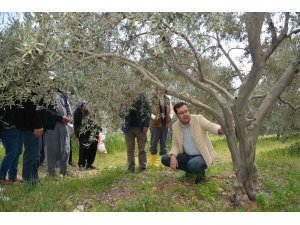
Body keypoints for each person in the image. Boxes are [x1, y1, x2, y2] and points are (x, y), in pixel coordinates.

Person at [161, 102, 224, 184]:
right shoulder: (175, 126)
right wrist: (173, 156)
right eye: (181, 113)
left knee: (193, 163)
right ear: (177, 116)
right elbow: (175, 144)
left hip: (202, 156)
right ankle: (190, 171)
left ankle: (200, 176)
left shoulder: (198, 119)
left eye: (186, 111)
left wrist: (220, 129)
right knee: (165, 159)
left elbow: (211, 126)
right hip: (187, 156)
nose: (185, 114)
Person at [15, 98, 45, 185]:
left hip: (31, 126)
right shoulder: (30, 87)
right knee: (33, 154)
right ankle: (30, 181)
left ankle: (33, 179)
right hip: (31, 127)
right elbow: (31, 107)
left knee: (34, 154)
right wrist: (38, 125)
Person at [120, 92, 151, 173]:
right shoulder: (123, 99)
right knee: (130, 149)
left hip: (140, 127)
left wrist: (146, 125)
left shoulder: (141, 96)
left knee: (142, 149)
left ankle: (143, 167)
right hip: (128, 128)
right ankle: (130, 168)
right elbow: (120, 114)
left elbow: (148, 111)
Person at [44, 88, 72, 177]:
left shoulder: (62, 93)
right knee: (51, 149)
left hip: (64, 125)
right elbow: (45, 111)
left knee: (66, 147)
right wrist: (60, 118)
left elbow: (68, 107)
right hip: (51, 125)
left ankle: (64, 170)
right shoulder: (45, 94)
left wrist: (69, 116)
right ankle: (51, 172)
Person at [73, 99, 99, 170]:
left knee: (93, 147)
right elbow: (78, 124)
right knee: (84, 148)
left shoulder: (92, 110)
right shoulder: (78, 111)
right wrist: (77, 134)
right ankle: (81, 165)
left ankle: (89, 164)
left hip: (92, 131)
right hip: (82, 132)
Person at [149, 87, 172, 166]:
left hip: (165, 124)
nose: (160, 91)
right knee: (154, 142)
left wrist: (170, 117)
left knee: (164, 143)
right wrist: (154, 118)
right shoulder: (152, 99)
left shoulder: (167, 99)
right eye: (159, 90)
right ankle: (153, 162)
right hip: (155, 124)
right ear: (156, 90)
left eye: (162, 90)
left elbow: (171, 110)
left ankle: (164, 162)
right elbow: (148, 111)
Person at [0, 106, 23, 184]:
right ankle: (1, 176)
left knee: (17, 151)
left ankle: (12, 177)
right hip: (8, 126)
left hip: (18, 125)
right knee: (12, 152)